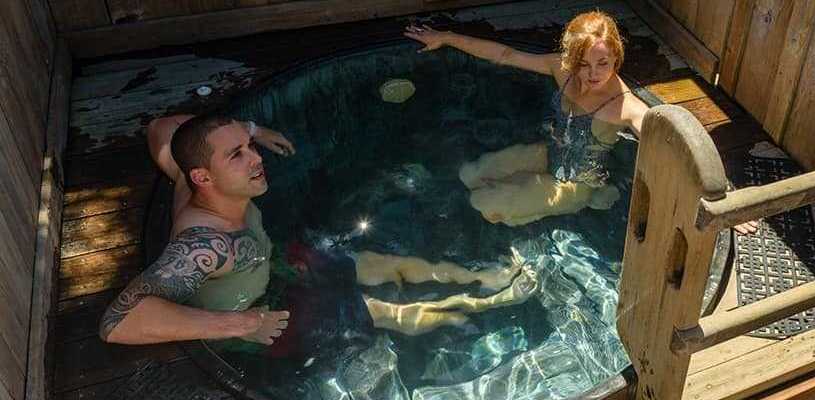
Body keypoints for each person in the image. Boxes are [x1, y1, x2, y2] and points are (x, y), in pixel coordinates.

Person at [99, 114, 539, 346]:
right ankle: (486, 303)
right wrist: (242, 324)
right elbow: (119, 322)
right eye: (237, 155)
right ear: (203, 176)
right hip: (259, 315)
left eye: (249, 147)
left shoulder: (186, 176)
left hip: (274, 264)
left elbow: (162, 128)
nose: (256, 157)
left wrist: (253, 129)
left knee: (371, 261)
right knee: (380, 312)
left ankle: (476, 277)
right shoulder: (207, 245)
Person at [405, 11, 645, 226]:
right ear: (572, 58)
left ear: (616, 56)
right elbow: (505, 55)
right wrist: (446, 37)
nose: (593, 73)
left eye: (603, 63)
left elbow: (660, 131)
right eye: (583, 64)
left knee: (484, 203)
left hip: (578, 183)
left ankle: (588, 198)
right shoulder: (562, 69)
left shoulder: (626, 106)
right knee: (469, 174)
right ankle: (527, 194)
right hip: (550, 153)